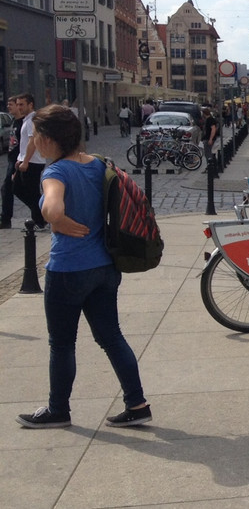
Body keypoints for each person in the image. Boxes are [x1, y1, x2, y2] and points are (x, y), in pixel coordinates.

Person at [16, 105, 151, 429]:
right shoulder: (98, 164)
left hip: (69, 270)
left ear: (49, 140)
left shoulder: (55, 172)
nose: (33, 140)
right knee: (112, 337)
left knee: (61, 343)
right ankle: (137, 403)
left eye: (36, 135)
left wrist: (57, 218)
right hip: (105, 266)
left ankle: (58, 410)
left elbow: (52, 205)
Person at [14, 93, 48, 229]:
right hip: (26, 160)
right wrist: (20, 159)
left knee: (31, 192)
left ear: (30, 105)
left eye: (21, 104)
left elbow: (32, 141)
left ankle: (40, 220)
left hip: (33, 162)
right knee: (16, 188)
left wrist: (26, 161)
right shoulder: (26, 119)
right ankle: (41, 215)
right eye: (17, 104)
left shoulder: (32, 119)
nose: (19, 107)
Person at [1, 96, 19, 229]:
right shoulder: (13, 120)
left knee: (13, 188)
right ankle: (5, 218)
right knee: (8, 188)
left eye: (11, 104)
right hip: (12, 159)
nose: (8, 106)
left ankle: (6, 219)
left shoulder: (23, 122)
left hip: (19, 159)